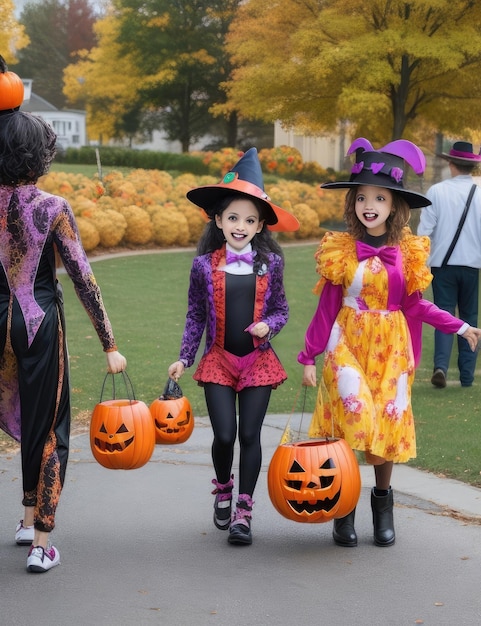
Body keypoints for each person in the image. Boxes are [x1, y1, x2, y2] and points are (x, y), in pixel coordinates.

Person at [298, 137, 481, 548]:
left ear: (393, 206)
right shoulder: (341, 250)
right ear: (353, 203)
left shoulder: (409, 252)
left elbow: (417, 306)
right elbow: (326, 308)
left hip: (392, 349)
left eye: (379, 198)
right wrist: (308, 356)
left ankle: (382, 505)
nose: (369, 204)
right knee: (353, 418)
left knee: (383, 430)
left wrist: (460, 326)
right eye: (362, 197)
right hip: (346, 341)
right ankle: (343, 510)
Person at [0, 58, 127, 573]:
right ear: (37, 157)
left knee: (22, 419)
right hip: (38, 324)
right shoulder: (51, 207)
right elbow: (82, 278)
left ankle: (27, 516)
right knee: (48, 426)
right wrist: (109, 343)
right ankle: (42, 542)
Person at [168, 148, 299, 545]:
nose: (240, 225)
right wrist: (184, 357)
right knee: (225, 435)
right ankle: (223, 487)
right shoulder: (203, 266)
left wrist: (268, 326)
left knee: (250, 437)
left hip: (257, 362)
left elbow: (282, 310)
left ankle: (244, 510)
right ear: (219, 220)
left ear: (260, 226)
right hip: (218, 362)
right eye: (233, 218)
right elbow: (196, 316)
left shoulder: (271, 264)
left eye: (250, 219)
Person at [418, 141, 481, 388]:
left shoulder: (436, 191)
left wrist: (421, 262)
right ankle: (466, 376)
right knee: (469, 315)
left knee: (443, 314)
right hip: (472, 265)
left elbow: (424, 232)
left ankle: (441, 367)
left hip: (442, 264)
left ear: (451, 164)